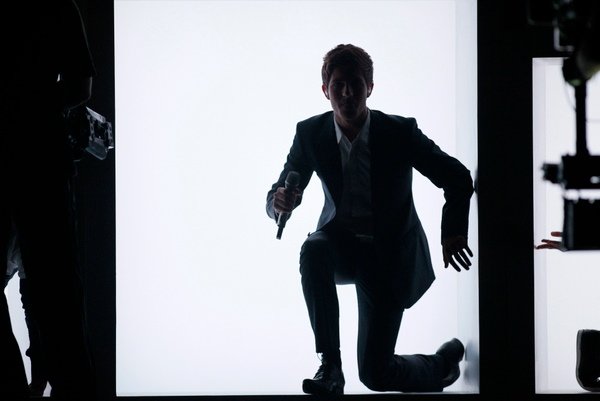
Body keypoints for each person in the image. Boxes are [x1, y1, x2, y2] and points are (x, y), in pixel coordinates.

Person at [266, 44, 475, 395]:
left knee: (376, 375)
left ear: (370, 88)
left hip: (388, 256)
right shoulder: (310, 133)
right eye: (338, 85)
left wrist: (453, 233)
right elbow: (281, 189)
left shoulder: (399, 132)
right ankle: (330, 367)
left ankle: (439, 366)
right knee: (313, 249)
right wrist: (279, 202)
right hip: (342, 247)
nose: (347, 93)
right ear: (325, 90)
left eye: (356, 84)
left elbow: (456, 177)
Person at [0, 1, 97, 400]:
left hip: (34, 162)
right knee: (56, 295)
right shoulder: (57, 6)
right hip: (41, 160)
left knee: (47, 291)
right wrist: (34, 105)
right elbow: (80, 86)